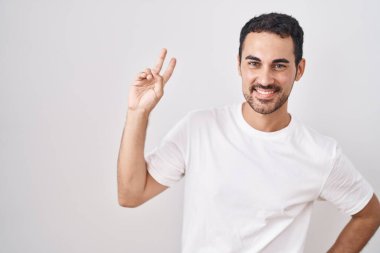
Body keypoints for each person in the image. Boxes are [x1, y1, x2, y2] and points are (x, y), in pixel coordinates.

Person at [117, 12, 380, 253]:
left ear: (299, 70)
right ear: (239, 65)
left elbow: (370, 213)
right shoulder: (199, 128)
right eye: (254, 63)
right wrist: (138, 113)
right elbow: (131, 194)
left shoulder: (321, 153)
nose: (265, 79)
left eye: (279, 66)